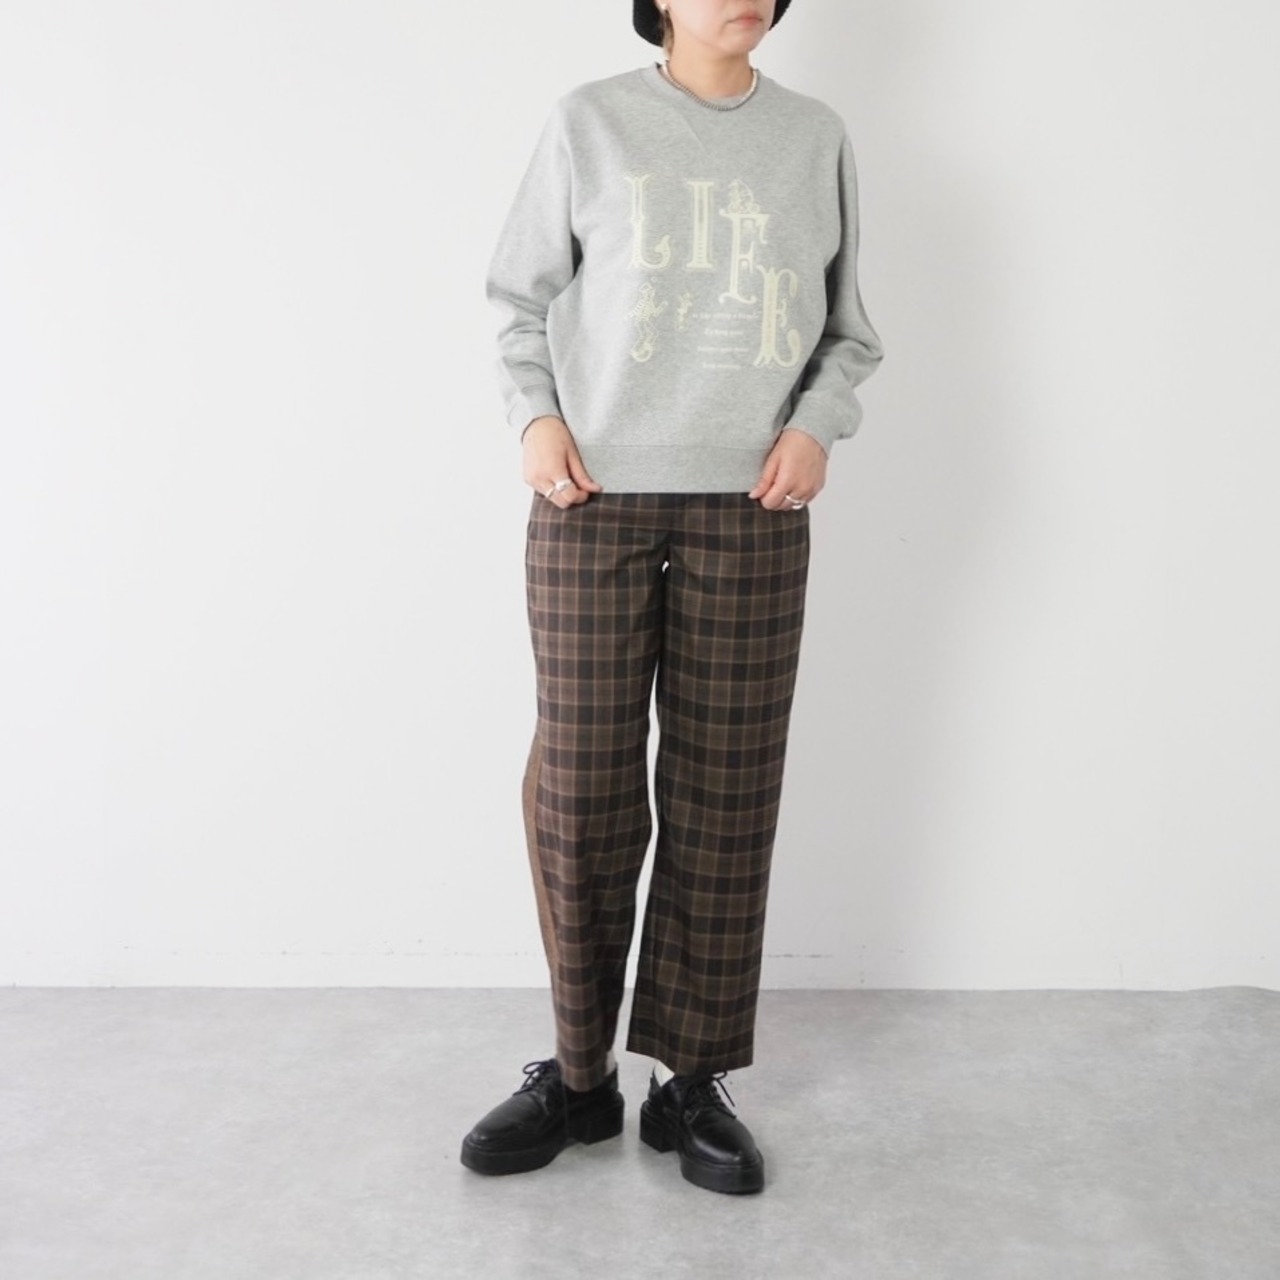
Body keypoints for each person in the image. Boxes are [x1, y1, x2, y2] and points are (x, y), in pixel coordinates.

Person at [460, 0, 883, 1195]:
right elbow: (514, 296)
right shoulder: (588, 122)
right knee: (581, 785)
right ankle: (579, 1070)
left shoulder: (813, 136)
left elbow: (847, 330)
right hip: (589, 496)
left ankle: (688, 1079)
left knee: (723, 790)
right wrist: (534, 417)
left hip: (752, 504)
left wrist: (813, 426)